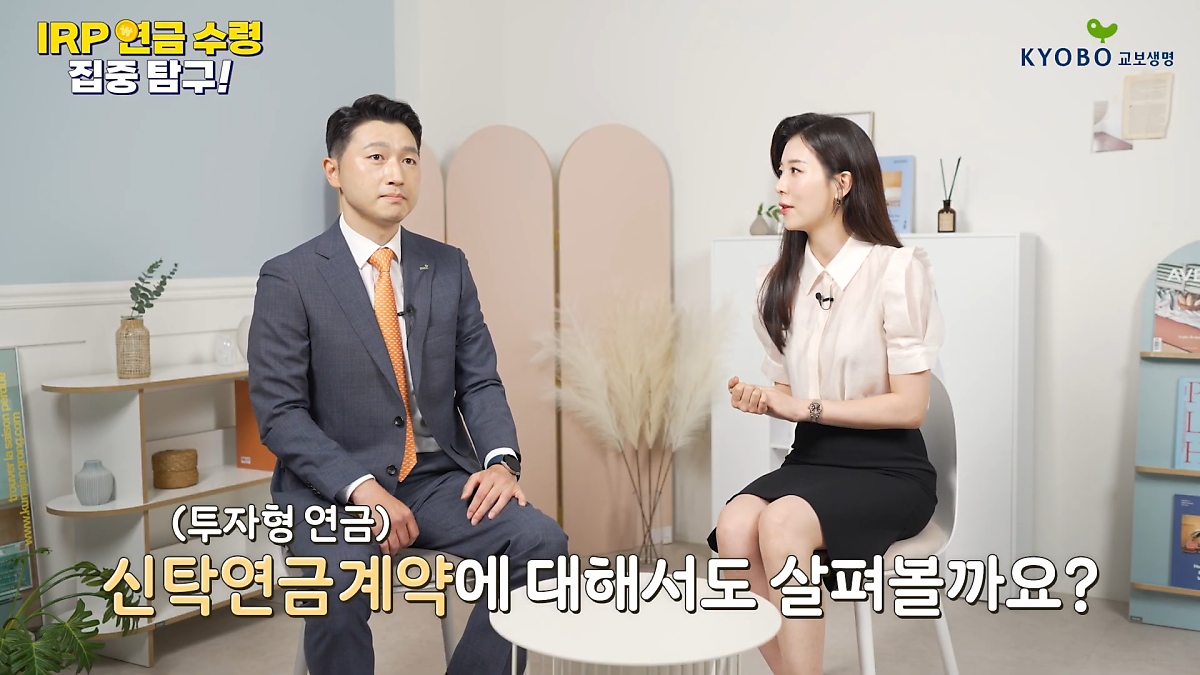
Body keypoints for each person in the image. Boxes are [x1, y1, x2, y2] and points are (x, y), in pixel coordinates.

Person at [247, 94, 568, 675]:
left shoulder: (447, 265)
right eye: (376, 157)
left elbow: (479, 382)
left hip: (433, 478)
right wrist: (363, 489)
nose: (396, 173)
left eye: (409, 159)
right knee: (337, 581)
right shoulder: (289, 276)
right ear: (333, 171)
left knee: (540, 542)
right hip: (331, 491)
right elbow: (280, 413)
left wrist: (500, 462)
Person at [707, 113, 944, 675]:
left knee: (782, 522)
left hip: (889, 468)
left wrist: (803, 407)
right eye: (779, 172)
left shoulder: (896, 272)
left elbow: (911, 407)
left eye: (795, 171)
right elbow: (788, 391)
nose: (780, 186)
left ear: (842, 184)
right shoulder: (776, 282)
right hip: (813, 459)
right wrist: (766, 398)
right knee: (735, 523)